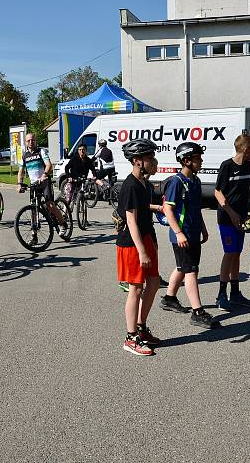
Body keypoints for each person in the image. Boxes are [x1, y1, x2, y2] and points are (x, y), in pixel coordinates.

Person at [159, 142, 218, 329]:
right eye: (197, 158)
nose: (200, 161)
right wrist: (178, 233)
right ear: (186, 161)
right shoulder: (177, 182)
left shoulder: (195, 180)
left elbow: (196, 208)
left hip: (192, 232)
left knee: (183, 267)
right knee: (191, 270)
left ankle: (169, 298)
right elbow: (167, 209)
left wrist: (203, 227)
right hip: (181, 235)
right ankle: (198, 312)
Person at [116, 139, 161, 356]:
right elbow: (131, 220)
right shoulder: (131, 185)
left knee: (153, 282)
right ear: (137, 161)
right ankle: (130, 337)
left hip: (145, 239)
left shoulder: (144, 184)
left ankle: (141, 327)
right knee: (135, 288)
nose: (153, 161)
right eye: (149, 157)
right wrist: (142, 250)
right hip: (132, 244)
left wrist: (151, 241)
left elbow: (144, 212)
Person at [214, 134, 250, 311]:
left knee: (237, 253)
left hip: (241, 216)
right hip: (227, 217)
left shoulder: (247, 165)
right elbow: (218, 193)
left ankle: (235, 293)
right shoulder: (227, 166)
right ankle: (221, 295)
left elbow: (247, 189)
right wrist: (231, 214)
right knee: (229, 253)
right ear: (246, 149)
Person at [17, 133, 68, 237]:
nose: (31, 142)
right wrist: (19, 184)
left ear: (35, 141)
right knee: (33, 210)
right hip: (34, 184)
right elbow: (21, 171)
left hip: (44, 182)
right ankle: (34, 235)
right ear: (26, 142)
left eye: (32, 140)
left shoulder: (41, 151)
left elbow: (49, 165)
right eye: (28, 141)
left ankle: (63, 224)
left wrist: (44, 175)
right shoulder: (24, 155)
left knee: (50, 205)